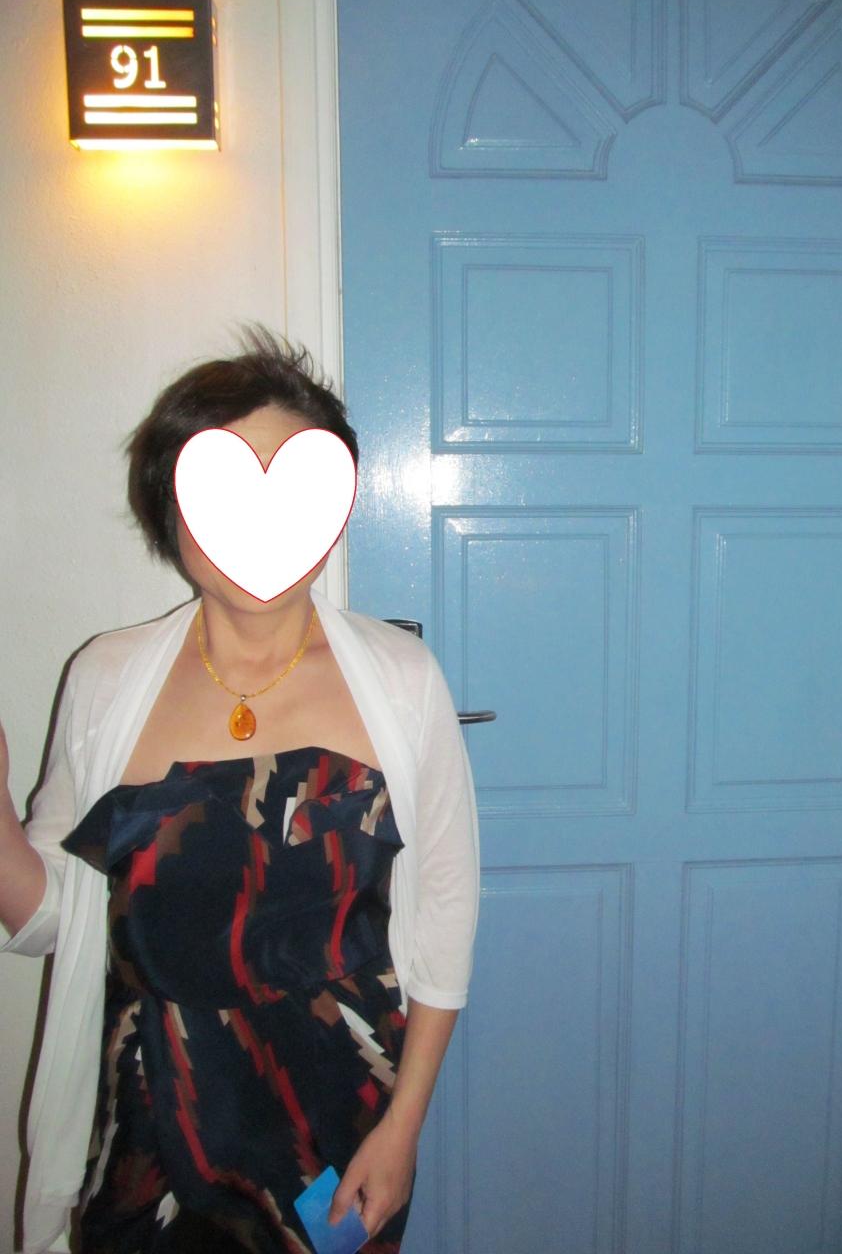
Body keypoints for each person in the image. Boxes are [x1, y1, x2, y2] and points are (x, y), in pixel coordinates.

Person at [0, 328, 481, 1254]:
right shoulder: (105, 679)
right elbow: (57, 916)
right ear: (170, 508)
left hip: (340, 1128)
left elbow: (445, 917)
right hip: (152, 1130)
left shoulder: (401, 678)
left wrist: (405, 1127)